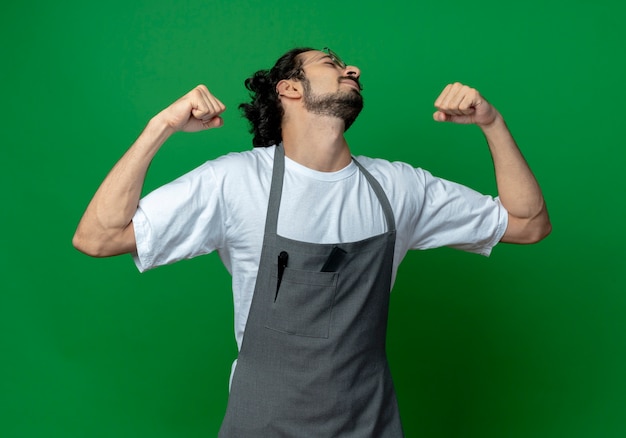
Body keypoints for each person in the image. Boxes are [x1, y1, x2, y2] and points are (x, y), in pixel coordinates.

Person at [73, 46, 551, 437]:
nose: (353, 68)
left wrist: (492, 123)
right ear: (290, 88)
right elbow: (99, 236)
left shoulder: (399, 188)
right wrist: (161, 127)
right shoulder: (237, 182)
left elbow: (529, 223)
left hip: (371, 426)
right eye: (332, 63)